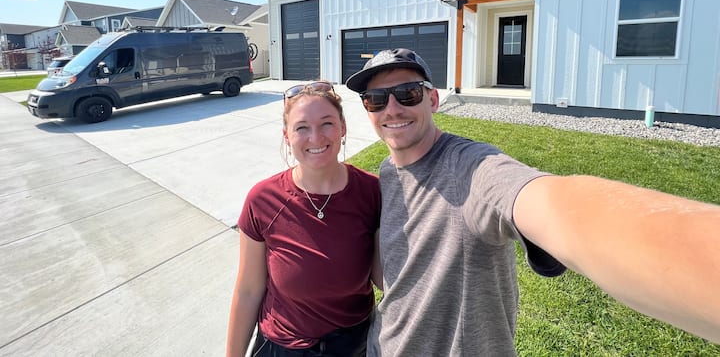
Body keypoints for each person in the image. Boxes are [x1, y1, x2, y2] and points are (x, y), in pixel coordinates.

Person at [345, 48, 720, 356]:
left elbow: (557, 206)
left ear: (433, 98)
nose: (391, 109)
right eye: (375, 100)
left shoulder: (471, 168)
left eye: (407, 94)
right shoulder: (388, 171)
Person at [226, 81, 381, 357]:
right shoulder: (262, 200)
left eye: (327, 123)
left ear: (343, 127)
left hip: (352, 345)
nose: (316, 138)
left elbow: (385, 277)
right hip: (281, 347)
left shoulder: (372, 192)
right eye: (301, 128)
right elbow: (248, 291)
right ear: (287, 135)